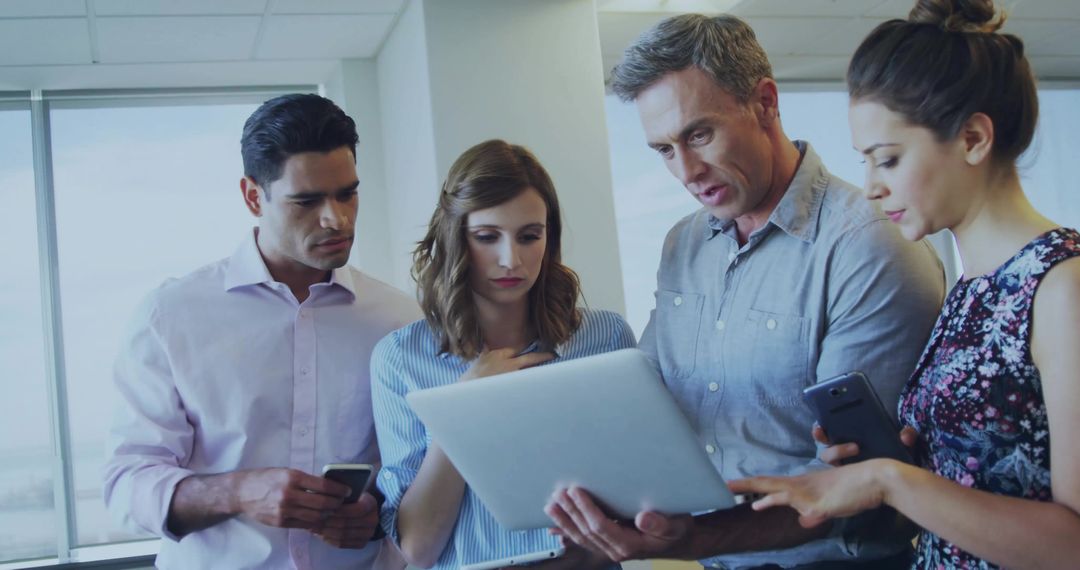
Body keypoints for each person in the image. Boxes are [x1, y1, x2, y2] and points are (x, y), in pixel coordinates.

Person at [546, 13, 947, 569]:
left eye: (698, 135)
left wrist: (688, 541)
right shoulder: (684, 245)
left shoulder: (868, 245)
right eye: (664, 149)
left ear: (764, 103)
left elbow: (857, 486)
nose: (686, 171)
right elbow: (653, 404)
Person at [728, 1, 1080, 568]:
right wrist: (891, 469)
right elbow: (981, 483)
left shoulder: (1063, 287)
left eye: (887, 160)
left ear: (973, 138)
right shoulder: (971, 287)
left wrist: (891, 481)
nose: (871, 187)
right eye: (865, 163)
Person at [103, 94, 418, 570]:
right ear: (254, 197)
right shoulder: (169, 316)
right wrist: (238, 492)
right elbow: (126, 484)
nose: (336, 219)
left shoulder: (399, 320)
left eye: (347, 194)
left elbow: (418, 466)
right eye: (306, 201)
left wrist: (376, 512)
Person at [370, 139, 634, 570]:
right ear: (455, 238)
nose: (511, 260)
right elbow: (417, 549)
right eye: (487, 237)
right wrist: (462, 408)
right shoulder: (400, 358)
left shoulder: (605, 337)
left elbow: (640, 494)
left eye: (529, 236)